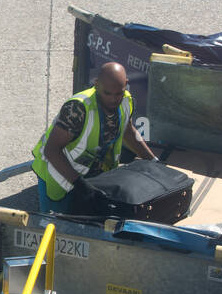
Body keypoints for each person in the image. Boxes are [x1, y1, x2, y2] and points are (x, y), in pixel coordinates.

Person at [31, 62, 158, 214]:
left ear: (126, 85)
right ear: (96, 84)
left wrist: (153, 162)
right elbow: (51, 150)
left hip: (93, 180)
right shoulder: (77, 108)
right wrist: (79, 184)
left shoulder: (126, 101)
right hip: (59, 177)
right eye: (107, 93)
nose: (113, 99)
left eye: (118, 93)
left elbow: (128, 131)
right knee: (57, 228)